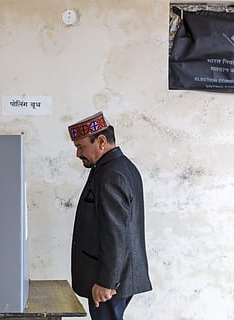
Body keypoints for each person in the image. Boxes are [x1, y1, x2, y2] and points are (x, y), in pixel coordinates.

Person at [67, 112, 152, 320]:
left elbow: (116, 233)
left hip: (110, 283)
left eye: (81, 146)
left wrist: (106, 282)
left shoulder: (111, 174)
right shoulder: (118, 167)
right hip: (116, 278)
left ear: (102, 141)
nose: (78, 153)